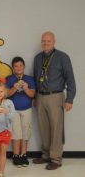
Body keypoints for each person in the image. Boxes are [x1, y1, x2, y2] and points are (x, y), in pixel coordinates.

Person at [33, 31, 76, 170]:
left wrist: (69, 99)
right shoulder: (38, 58)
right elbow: (35, 78)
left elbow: (70, 80)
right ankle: (45, 154)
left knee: (56, 128)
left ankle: (56, 158)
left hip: (56, 96)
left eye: (48, 41)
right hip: (40, 96)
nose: (46, 43)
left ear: (54, 41)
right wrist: (34, 97)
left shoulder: (63, 57)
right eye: (44, 41)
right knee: (43, 127)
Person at [6, 57, 35, 167]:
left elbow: (32, 95)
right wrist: (14, 88)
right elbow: (7, 94)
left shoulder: (30, 79)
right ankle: (16, 155)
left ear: (24, 66)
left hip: (26, 109)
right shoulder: (9, 79)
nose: (18, 68)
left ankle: (23, 155)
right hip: (13, 110)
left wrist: (26, 88)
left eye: (20, 65)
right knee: (16, 133)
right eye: (16, 66)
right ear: (13, 68)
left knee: (25, 132)